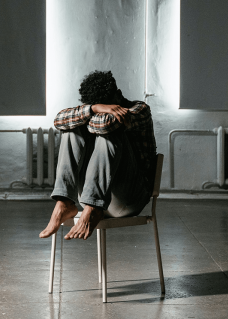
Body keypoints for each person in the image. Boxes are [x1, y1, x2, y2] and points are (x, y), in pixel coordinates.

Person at [39, 70, 156, 240]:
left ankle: (93, 207)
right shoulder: (95, 109)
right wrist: (94, 108)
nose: (105, 111)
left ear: (119, 95)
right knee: (71, 131)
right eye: (99, 107)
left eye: (109, 106)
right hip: (90, 197)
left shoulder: (140, 109)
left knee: (111, 132)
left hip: (128, 199)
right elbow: (58, 120)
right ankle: (64, 201)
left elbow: (108, 125)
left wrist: (89, 113)